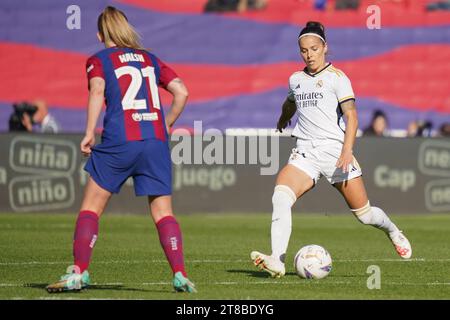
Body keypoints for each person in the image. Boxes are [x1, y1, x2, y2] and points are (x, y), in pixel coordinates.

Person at [46, 6, 196, 293]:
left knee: (91, 207)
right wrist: (165, 124)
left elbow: (97, 91)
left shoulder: (98, 59)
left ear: (101, 34)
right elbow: (182, 91)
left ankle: (79, 272)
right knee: (163, 212)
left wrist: (89, 132)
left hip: (119, 140)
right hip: (155, 142)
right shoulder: (150, 59)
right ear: (126, 29)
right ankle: (180, 274)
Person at [250, 21, 412, 278]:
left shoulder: (337, 78)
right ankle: (277, 260)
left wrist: (347, 151)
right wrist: (283, 118)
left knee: (365, 215)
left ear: (324, 47)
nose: (309, 54)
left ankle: (392, 230)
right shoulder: (296, 79)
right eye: (304, 50)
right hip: (305, 152)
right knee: (280, 196)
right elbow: (290, 102)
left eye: (314, 48)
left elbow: (352, 118)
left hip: (335, 153)